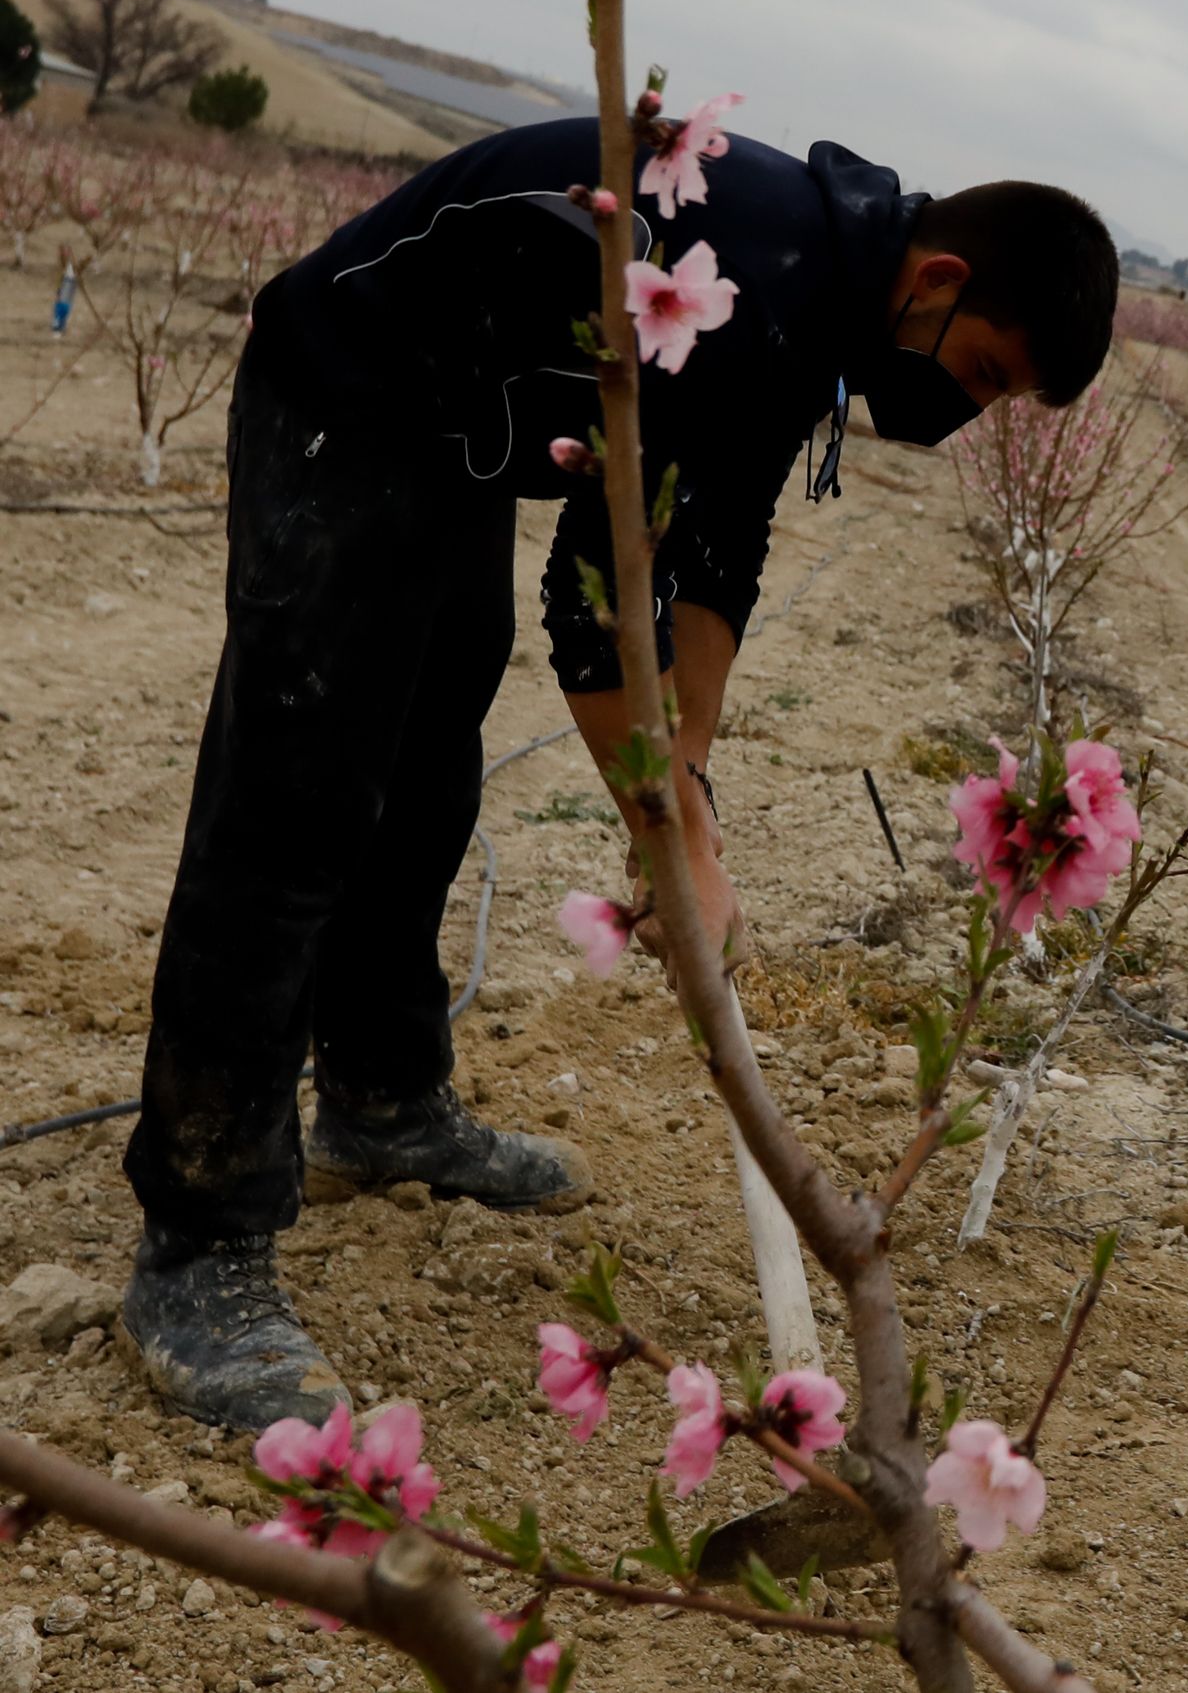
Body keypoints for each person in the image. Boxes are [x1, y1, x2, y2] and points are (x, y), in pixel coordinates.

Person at [119, 115, 1118, 1428]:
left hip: (456, 427)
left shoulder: (817, 306)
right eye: (983, 371)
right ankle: (198, 1242)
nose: (964, 406)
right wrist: (671, 842)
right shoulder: (755, 270)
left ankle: (381, 1095)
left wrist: (688, 787)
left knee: (425, 774)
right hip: (347, 391)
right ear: (936, 283)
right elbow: (599, 610)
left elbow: (713, 556)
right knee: (299, 797)